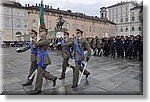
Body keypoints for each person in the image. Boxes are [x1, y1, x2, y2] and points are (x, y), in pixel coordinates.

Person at [30, 27, 57, 95]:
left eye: (42, 31)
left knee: (39, 74)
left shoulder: (46, 40)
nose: (40, 32)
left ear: (45, 33)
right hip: (40, 59)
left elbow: (36, 45)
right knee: (42, 73)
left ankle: (38, 89)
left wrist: (34, 40)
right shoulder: (40, 39)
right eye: (40, 31)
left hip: (44, 60)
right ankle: (53, 78)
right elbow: (34, 46)